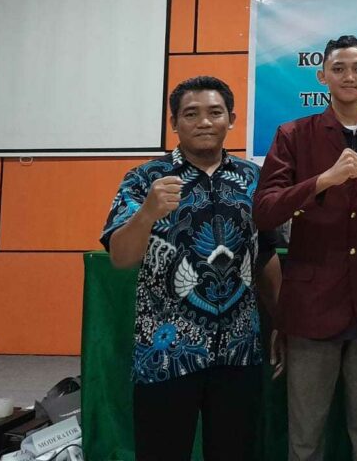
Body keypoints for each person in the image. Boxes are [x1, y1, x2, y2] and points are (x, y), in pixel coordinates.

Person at [100, 76, 283, 461]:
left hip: (238, 351)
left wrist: (282, 320)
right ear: (174, 122)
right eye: (191, 114)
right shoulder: (145, 179)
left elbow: (266, 254)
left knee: (235, 452)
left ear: (231, 119)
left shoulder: (253, 179)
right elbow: (121, 257)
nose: (204, 122)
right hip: (165, 353)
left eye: (215, 112)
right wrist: (147, 213)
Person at [253, 35, 357, 461]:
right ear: (322, 76)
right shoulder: (293, 135)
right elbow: (264, 212)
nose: (349, 77)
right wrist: (322, 181)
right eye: (338, 68)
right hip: (311, 306)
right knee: (305, 436)